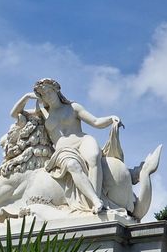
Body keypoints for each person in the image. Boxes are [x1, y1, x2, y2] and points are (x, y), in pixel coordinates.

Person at [10, 78, 122, 213]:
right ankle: (95, 200)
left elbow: (96, 122)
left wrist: (111, 118)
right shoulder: (43, 112)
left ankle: (96, 201)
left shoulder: (73, 107)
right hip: (62, 150)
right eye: (43, 94)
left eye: (49, 92)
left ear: (56, 90)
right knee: (72, 165)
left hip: (82, 140)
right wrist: (27, 96)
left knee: (93, 157)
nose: (47, 96)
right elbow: (14, 114)